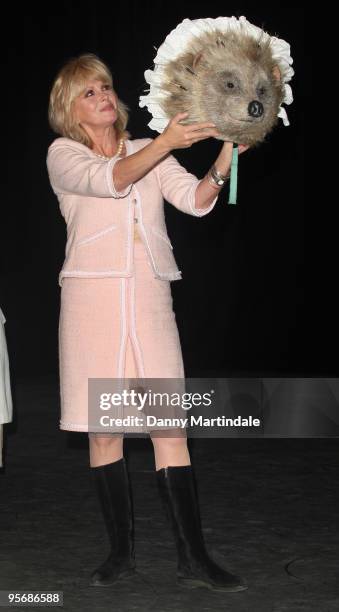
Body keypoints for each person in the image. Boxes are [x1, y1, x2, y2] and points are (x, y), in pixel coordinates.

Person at [47, 53, 249, 592]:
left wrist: (227, 153)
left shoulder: (147, 151)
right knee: (105, 430)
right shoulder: (62, 154)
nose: (104, 97)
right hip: (93, 302)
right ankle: (120, 555)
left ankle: (194, 558)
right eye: (88, 92)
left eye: (106, 87)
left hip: (151, 298)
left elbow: (197, 200)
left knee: (170, 426)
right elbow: (110, 180)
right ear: (68, 107)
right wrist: (164, 144)